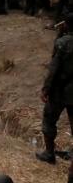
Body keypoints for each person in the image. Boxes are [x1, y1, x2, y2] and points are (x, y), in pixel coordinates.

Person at [38, 11, 73, 163]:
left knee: (49, 119)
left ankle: (49, 153)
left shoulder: (63, 43)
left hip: (60, 90)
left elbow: (53, 69)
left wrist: (46, 89)